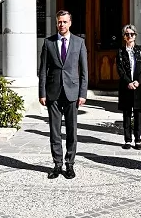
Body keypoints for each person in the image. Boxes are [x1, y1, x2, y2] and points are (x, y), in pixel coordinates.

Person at [38, 10, 88, 180]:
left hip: (72, 92)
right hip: (53, 92)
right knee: (54, 131)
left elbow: (84, 72)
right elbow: (43, 70)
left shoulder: (79, 42)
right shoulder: (48, 42)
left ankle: (70, 164)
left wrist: (82, 94)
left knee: (72, 131)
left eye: (65, 22)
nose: (62, 25)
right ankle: (57, 164)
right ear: (56, 23)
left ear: (70, 23)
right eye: (59, 22)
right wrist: (42, 93)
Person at [116, 24, 141, 150]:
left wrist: (138, 81)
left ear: (135, 36)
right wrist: (128, 82)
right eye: (127, 34)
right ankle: (128, 140)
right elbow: (119, 69)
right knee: (127, 114)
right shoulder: (120, 51)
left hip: (138, 86)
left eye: (132, 34)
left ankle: (138, 140)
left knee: (138, 114)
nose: (129, 36)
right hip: (126, 86)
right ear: (124, 37)